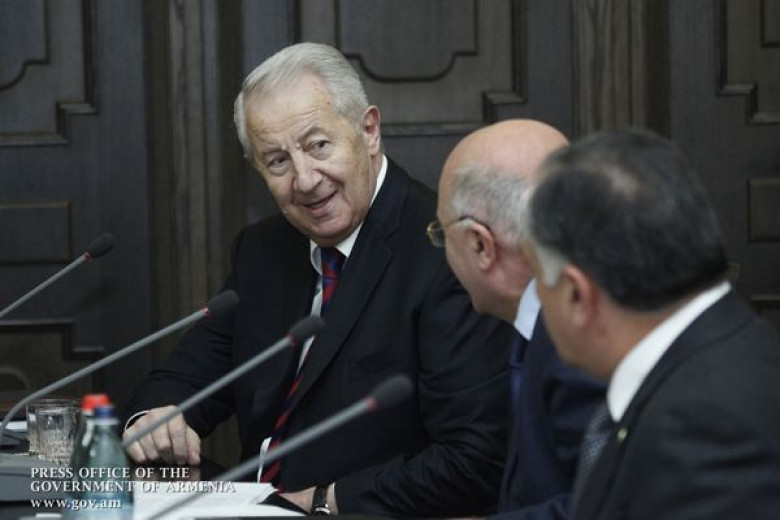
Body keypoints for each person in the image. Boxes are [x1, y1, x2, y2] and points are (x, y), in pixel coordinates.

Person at [123, 42, 514, 517]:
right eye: (277, 161)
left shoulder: (440, 251)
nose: (305, 180)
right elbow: (184, 378)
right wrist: (156, 420)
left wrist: (328, 500)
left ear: (368, 131)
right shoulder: (263, 249)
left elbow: (476, 459)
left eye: (318, 146)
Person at [523, 129, 780, 519]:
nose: (539, 299)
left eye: (539, 281)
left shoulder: (702, 424)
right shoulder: (710, 356)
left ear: (576, 293)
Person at [434, 119, 605, 519]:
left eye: (441, 233)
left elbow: (601, 506)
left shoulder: (582, 344)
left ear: (481, 245)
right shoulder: (537, 322)